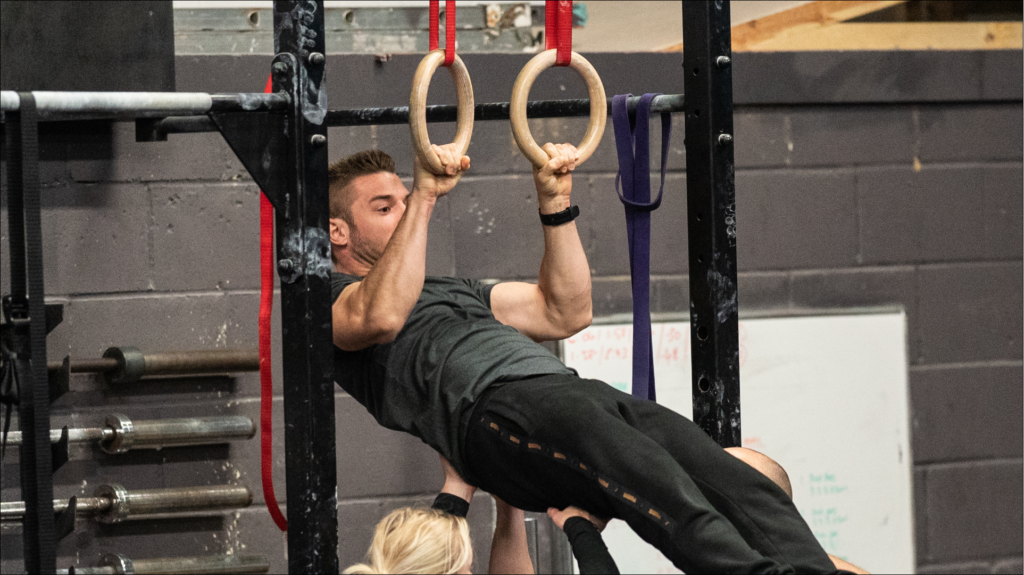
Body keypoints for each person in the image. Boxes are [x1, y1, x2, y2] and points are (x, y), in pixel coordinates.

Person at [329, 143, 839, 573]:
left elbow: (565, 310)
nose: (404, 211)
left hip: (567, 392)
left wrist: (555, 204)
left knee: (732, 477)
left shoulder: (449, 288)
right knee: (661, 487)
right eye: (384, 207)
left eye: (404, 199)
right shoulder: (325, 301)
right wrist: (422, 197)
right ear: (338, 232)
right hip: (497, 416)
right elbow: (381, 316)